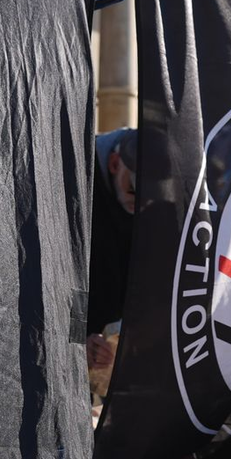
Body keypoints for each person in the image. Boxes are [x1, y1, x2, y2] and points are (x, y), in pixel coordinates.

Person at [85, 127, 137, 379]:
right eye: (132, 188)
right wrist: (75, 339)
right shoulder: (79, 179)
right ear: (115, 164)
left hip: (110, 349)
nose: (138, 202)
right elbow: (61, 270)